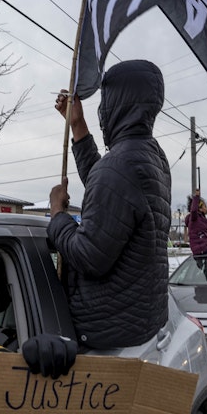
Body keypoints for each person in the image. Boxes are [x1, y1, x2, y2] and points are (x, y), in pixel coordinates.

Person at [46, 59, 172, 354]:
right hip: (135, 325)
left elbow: (89, 256)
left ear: (118, 103)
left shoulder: (120, 166)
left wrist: (57, 216)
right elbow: (110, 200)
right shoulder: (151, 155)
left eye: (106, 99)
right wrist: (77, 125)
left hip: (106, 337)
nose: (102, 109)